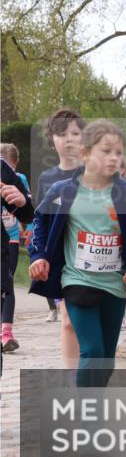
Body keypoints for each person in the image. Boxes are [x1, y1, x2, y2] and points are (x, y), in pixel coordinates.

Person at [28, 119, 126, 387]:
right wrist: (38, 256)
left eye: (118, 152)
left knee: (106, 360)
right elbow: (40, 223)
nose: (113, 157)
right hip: (77, 280)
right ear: (85, 154)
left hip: (114, 285)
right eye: (105, 151)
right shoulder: (63, 191)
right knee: (92, 351)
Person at [36, 109, 85, 376]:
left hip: (94, 256)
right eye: (61, 133)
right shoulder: (46, 179)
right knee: (68, 321)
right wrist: (41, 255)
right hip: (63, 259)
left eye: (75, 133)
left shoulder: (95, 172)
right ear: (52, 139)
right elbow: (42, 220)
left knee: (92, 323)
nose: (68, 139)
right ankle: (72, 379)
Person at [1, 150, 34, 364]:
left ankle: (6, 333)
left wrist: (21, 202)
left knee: (7, 286)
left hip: (6, 244)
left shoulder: (2, 169)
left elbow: (28, 213)